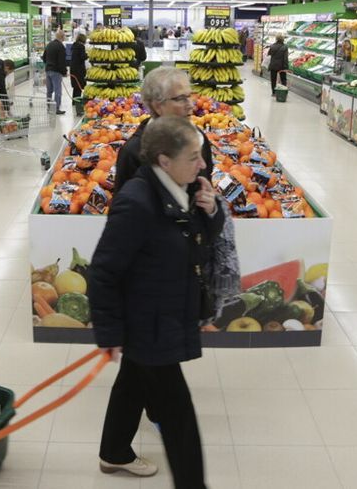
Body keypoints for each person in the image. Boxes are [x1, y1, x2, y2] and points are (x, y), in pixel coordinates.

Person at [89, 115, 222, 489]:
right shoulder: (136, 203)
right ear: (165, 160)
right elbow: (102, 271)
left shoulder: (183, 188)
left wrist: (211, 210)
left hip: (163, 315)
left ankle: (114, 450)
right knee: (180, 421)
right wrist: (111, 332)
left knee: (132, 384)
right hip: (149, 326)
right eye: (194, 156)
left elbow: (200, 236)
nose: (204, 164)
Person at [113, 67, 213, 196]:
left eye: (189, 96)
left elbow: (205, 188)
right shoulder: (134, 152)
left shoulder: (199, 139)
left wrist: (212, 209)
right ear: (157, 106)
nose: (190, 105)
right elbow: (124, 209)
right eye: (180, 98)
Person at [44, 29, 68, 114]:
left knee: (49, 90)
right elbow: (62, 62)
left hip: (48, 70)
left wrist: (48, 65)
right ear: (62, 37)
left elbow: (44, 57)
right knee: (58, 90)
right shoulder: (60, 46)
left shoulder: (49, 44)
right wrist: (64, 72)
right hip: (56, 72)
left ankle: (49, 107)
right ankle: (56, 108)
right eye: (64, 35)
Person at [70, 31, 88, 99]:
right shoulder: (81, 46)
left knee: (76, 87)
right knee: (79, 86)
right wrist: (88, 55)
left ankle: (74, 101)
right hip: (79, 70)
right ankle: (78, 101)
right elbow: (83, 57)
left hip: (73, 68)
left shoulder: (74, 45)